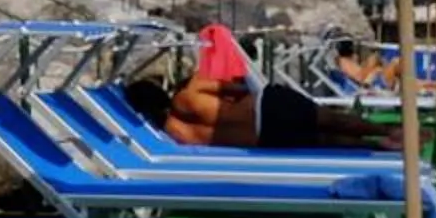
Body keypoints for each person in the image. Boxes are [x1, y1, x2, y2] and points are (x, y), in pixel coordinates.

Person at [122, 70, 392, 152]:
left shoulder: (171, 135)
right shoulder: (189, 92)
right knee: (330, 120)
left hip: (261, 140)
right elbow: (238, 88)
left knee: (325, 141)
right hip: (264, 107)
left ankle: (380, 146)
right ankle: (388, 131)